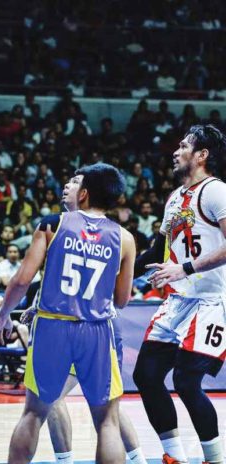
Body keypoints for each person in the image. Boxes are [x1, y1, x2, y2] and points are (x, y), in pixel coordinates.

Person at [0, 163, 136, 463]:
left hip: (52, 327)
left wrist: (4, 316)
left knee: (33, 413)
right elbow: (121, 300)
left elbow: (21, 280)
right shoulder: (125, 238)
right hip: (97, 330)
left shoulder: (51, 225)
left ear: (83, 194)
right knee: (107, 421)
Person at [38, 173, 146, 464]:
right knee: (106, 408)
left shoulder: (111, 234)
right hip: (73, 326)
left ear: (87, 192)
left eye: (74, 182)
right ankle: (138, 459)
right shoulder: (59, 226)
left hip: (95, 329)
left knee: (64, 400)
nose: (66, 185)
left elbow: (118, 296)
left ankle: (68, 460)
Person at [133, 125, 226, 464]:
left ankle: (214, 459)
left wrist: (185, 268)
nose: (176, 150)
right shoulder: (175, 197)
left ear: (202, 155)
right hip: (178, 300)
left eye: (184, 145)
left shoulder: (216, 192)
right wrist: (120, 271)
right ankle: (174, 456)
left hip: (211, 301)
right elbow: (157, 249)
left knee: (187, 382)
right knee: (146, 375)